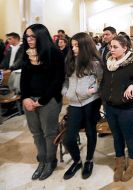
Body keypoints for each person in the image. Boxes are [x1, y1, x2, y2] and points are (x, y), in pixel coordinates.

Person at [20, 24, 65, 180]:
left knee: (49, 132)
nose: (29, 39)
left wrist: (42, 101)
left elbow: (57, 81)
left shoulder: (54, 54)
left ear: (41, 36)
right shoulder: (26, 53)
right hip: (29, 99)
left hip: (49, 100)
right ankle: (42, 159)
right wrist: (25, 97)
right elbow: (24, 78)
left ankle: (50, 161)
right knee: (36, 132)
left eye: (32, 36)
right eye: (27, 36)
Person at [101, 35, 133, 182]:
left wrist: (132, 93)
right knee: (116, 136)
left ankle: (132, 163)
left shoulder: (132, 64)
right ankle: (119, 163)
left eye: (115, 47)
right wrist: (105, 99)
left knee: (129, 137)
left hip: (127, 108)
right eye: (110, 47)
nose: (111, 49)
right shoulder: (109, 62)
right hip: (110, 107)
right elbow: (104, 82)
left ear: (125, 48)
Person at [62, 32, 103, 180]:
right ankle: (77, 161)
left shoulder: (95, 63)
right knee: (69, 137)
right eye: (72, 45)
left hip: (90, 101)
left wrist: (91, 90)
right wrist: (66, 92)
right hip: (74, 103)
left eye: (76, 46)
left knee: (90, 132)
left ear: (85, 46)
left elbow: (101, 81)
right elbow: (65, 80)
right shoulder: (69, 60)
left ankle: (89, 160)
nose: (73, 48)